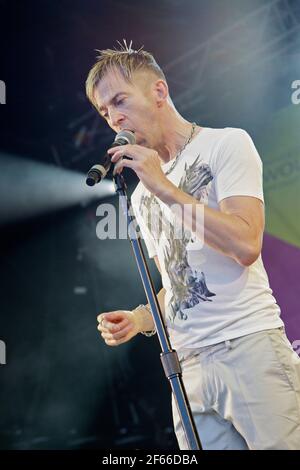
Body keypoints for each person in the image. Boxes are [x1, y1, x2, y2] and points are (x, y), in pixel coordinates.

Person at [85, 42, 300, 450]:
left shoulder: (226, 145)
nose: (114, 117)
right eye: (104, 110)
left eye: (119, 100)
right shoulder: (141, 195)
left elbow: (245, 243)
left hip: (249, 348)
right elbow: (181, 282)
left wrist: (164, 187)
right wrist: (142, 318)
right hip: (188, 369)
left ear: (159, 92)